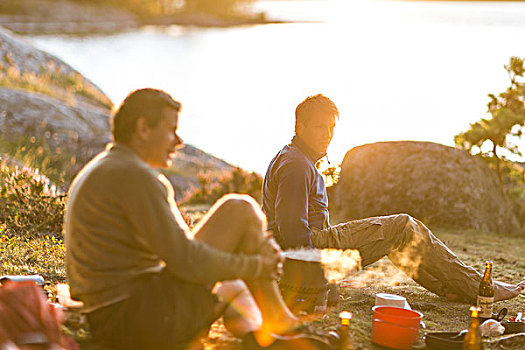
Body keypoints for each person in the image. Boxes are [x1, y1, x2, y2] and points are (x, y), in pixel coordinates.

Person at [64, 89, 332, 350]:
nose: (178, 141)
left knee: (234, 285)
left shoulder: (108, 166)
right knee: (238, 209)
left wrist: (245, 264)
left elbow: (182, 254)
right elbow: (187, 261)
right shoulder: (134, 175)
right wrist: (256, 265)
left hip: (113, 317)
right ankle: (280, 323)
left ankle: (262, 333)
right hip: (135, 321)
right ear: (143, 128)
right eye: (171, 129)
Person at [261, 94, 525, 303]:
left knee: (399, 237)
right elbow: (292, 230)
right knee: (402, 226)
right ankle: (480, 286)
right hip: (313, 249)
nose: (327, 135)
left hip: (316, 244)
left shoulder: (297, 158)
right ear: (300, 125)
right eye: (319, 127)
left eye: (330, 128)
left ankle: (451, 287)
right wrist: (311, 284)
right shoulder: (296, 165)